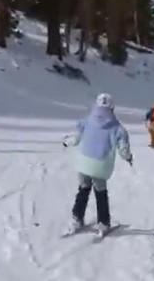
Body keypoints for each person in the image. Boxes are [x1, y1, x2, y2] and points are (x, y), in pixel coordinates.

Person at [62, 93, 133, 235]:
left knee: (83, 189)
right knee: (100, 193)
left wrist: (66, 142)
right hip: (101, 165)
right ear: (112, 108)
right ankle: (103, 223)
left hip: (83, 163)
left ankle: (77, 218)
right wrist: (129, 158)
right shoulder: (117, 128)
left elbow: (76, 138)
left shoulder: (87, 121)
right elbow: (123, 149)